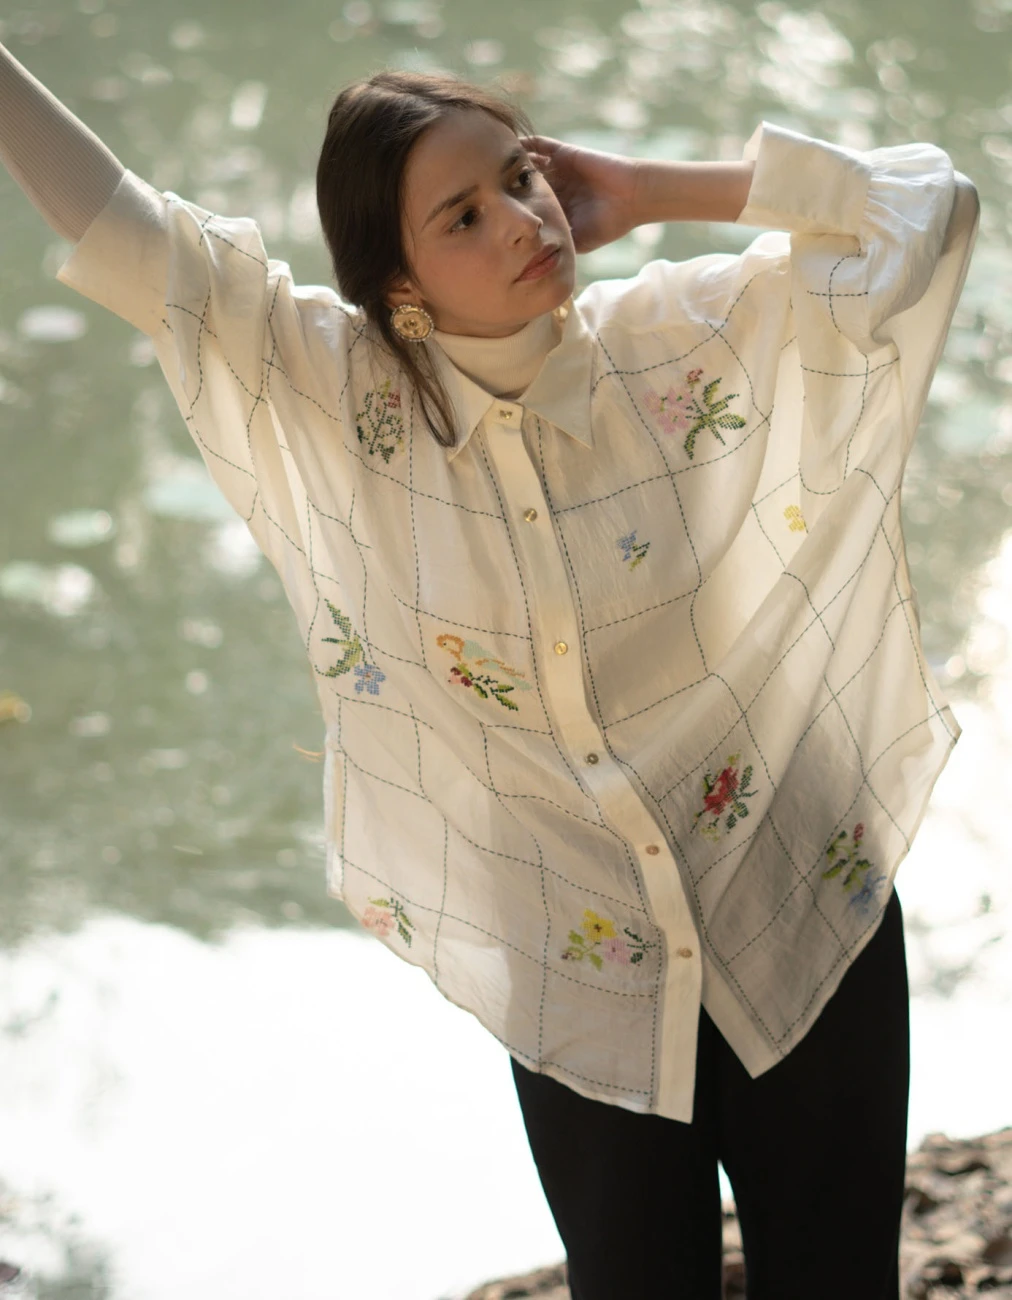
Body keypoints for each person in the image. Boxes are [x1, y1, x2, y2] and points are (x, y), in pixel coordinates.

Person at [1, 36, 979, 1300]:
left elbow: (929, 203)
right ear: (397, 282)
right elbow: (125, 232)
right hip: (582, 974)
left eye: (521, 178)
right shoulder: (336, 395)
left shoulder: (678, 330)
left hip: (793, 898)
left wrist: (652, 189)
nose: (521, 219)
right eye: (462, 214)